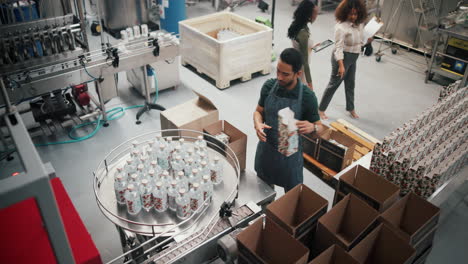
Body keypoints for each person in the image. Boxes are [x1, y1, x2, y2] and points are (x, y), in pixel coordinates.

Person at [254, 48, 323, 192]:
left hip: (290, 157)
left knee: (292, 199)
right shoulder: (268, 87)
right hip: (267, 150)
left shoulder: (307, 97)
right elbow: (258, 111)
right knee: (263, 194)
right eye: (278, 71)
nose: (279, 77)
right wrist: (258, 124)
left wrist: (313, 128)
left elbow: (319, 129)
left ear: (298, 73)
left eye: (285, 74)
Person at [318, 0, 372, 120]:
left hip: (354, 57)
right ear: (345, 13)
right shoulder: (341, 28)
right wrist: (341, 65)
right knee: (334, 84)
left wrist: (367, 40)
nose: (353, 17)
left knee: (350, 84)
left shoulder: (359, 24)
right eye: (351, 14)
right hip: (342, 58)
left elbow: (359, 42)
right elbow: (338, 48)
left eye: (356, 14)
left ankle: (350, 108)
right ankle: (321, 109)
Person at [287, 0, 319, 90]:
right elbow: (305, 62)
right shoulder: (303, 33)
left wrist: (312, 47)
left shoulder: (296, 25)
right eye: (315, 13)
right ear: (308, 15)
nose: (316, 16)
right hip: (301, 68)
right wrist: (310, 83)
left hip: (296, 63)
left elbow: (300, 46)